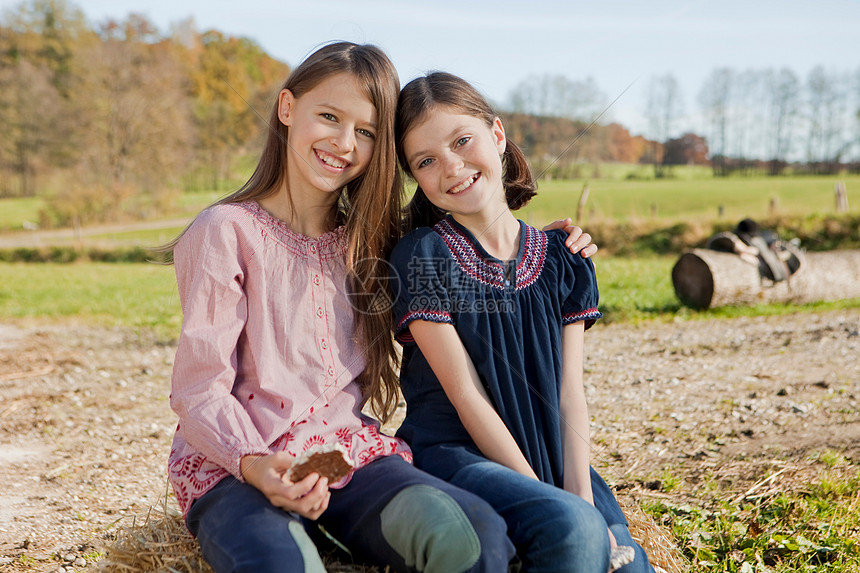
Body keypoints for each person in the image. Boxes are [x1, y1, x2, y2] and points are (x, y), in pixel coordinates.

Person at [164, 43, 595, 573]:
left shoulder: (371, 241)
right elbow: (198, 389)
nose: (344, 143)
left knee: (472, 538)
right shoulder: (224, 232)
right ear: (286, 109)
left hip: (347, 455)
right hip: (239, 468)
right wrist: (255, 464)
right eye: (329, 116)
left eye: (366, 132)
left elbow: (462, 245)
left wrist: (545, 245)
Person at [389, 71, 655, 573]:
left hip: (552, 447)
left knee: (627, 559)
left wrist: (578, 492)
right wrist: (554, 501)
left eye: (462, 141)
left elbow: (570, 390)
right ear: (415, 177)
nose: (452, 166)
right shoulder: (421, 256)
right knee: (574, 531)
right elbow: (467, 397)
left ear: (497, 134)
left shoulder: (564, 257)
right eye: (426, 161)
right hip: (460, 452)